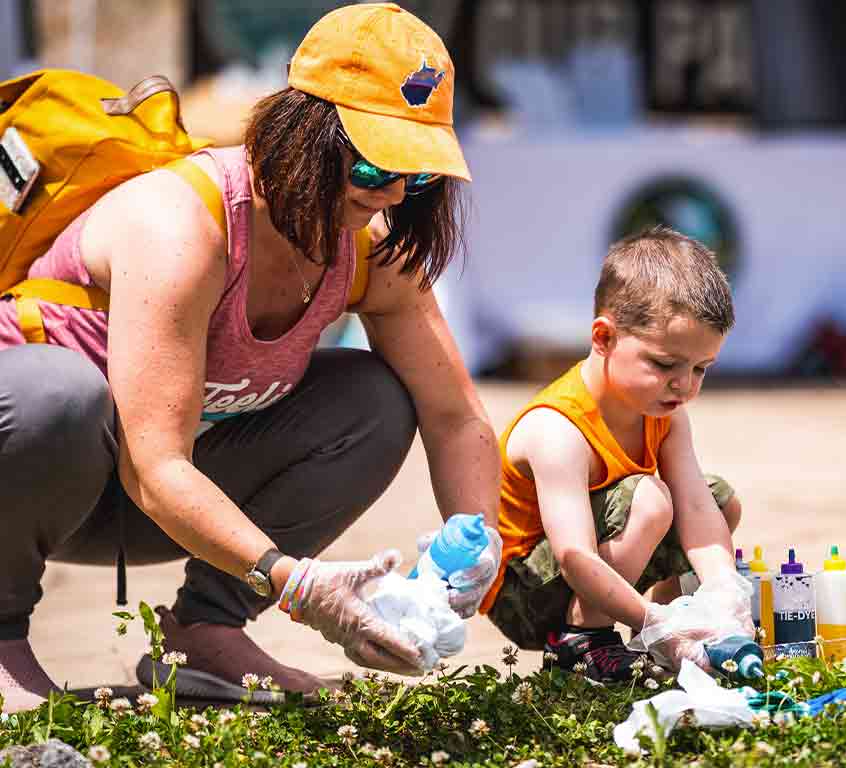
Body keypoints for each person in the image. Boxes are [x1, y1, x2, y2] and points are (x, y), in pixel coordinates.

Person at [0, 3, 501, 712]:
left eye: (415, 176)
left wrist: (475, 554)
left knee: (373, 401)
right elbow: (155, 465)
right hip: (42, 477)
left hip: (135, 497)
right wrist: (295, 583)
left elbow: (457, 420)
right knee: (61, 397)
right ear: (302, 133)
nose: (390, 193)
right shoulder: (182, 227)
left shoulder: (368, 249)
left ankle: (205, 632)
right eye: (370, 162)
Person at [479, 227, 746, 683]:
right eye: (664, 365)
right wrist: (656, 624)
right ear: (603, 338)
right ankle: (584, 642)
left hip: (599, 568)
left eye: (701, 368)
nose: (684, 384)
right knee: (650, 499)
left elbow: (699, 507)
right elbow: (574, 556)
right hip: (527, 594)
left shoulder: (666, 412)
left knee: (719, 499)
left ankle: (667, 626)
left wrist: (724, 588)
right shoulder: (558, 428)